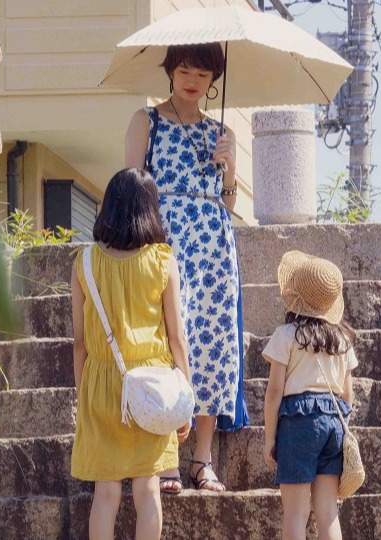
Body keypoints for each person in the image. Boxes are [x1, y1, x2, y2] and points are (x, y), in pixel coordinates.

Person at [124, 42, 248, 494]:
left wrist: (230, 168)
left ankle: (203, 460)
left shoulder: (220, 130)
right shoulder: (148, 120)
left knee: (212, 344)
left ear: (214, 78)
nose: (192, 79)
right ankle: (165, 457)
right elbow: (129, 186)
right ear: (170, 70)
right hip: (165, 243)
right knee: (164, 345)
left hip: (214, 245)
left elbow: (228, 203)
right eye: (184, 69)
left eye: (202, 72)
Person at [70, 167, 192, 540]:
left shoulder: (85, 262)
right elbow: (177, 338)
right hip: (151, 388)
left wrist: (84, 396)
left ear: (107, 207)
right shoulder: (161, 261)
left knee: (105, 493)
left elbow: (80, 343)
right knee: (147, 488)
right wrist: (187, 392)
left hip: (102, 384)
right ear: (150, 210)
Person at [262, 251, 358, 540]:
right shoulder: (342, 340)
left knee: (295, 512)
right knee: (328, 510)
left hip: (298, 424)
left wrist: (270, 439)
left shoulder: (287, 335)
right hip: (333, 424)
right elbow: (347, 394)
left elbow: (274, 392)